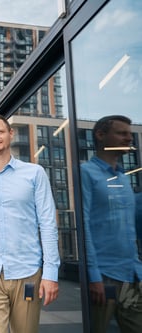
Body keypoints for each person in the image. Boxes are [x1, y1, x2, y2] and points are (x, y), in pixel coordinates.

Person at [0, 114, 60, 333]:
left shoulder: (35, 173)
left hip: (27, 273)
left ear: (10, 134)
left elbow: (48, 224)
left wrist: (50, 273)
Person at [80, 115, 142, 332]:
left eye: (130, 134)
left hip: (131, 275)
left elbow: (130, 228)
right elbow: (83, 225)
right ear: (100, 135)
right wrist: (94, 276)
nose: (129, 138)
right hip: (104, 277)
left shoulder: (123, 179)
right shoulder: (86, 173)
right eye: (122, 133)